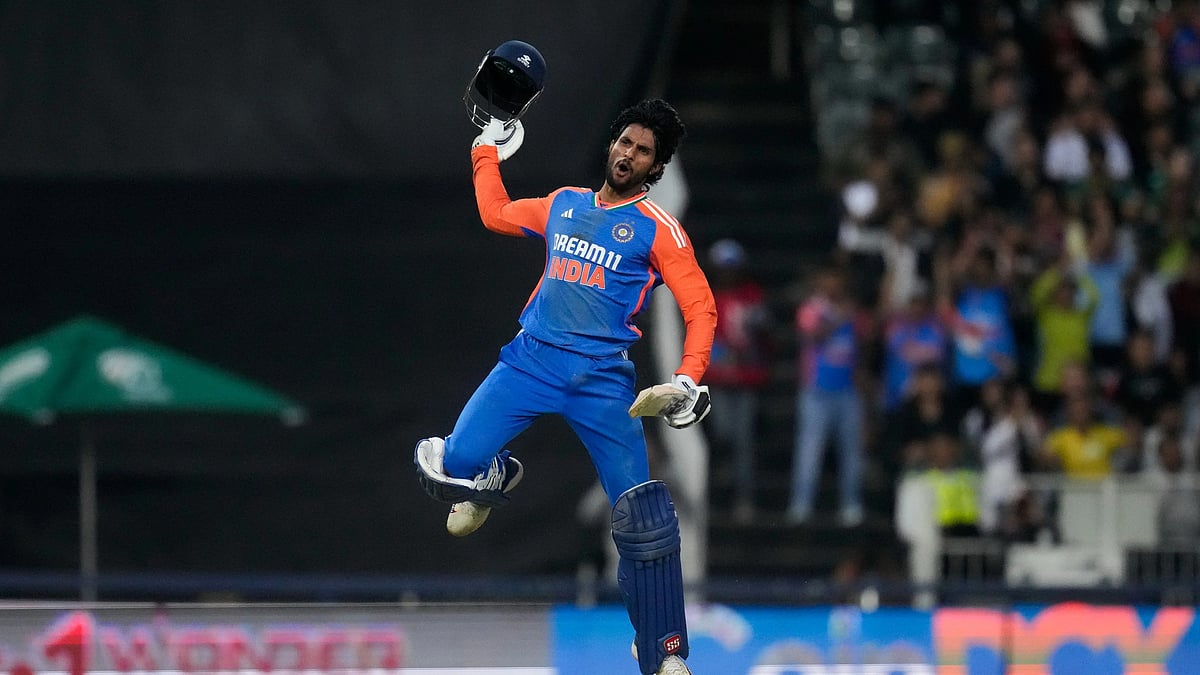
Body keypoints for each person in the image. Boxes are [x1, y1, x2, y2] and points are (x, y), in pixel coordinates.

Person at [414, 99, 715, 675]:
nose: (628, 154)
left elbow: (700, 307)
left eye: (643, 151)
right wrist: (485, 149)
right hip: (529, 362)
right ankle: (491, 474)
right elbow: (495, 214)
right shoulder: (564, 203)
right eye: (624, 142)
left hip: (602, 382)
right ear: (612, 146)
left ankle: (664, 651)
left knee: (644, 518)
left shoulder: (660, 229)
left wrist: (687, 378)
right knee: (451, 465)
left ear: (655, 168)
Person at [788, 264, 866, 527]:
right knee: (810, 450)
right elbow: (812, 335)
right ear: (820, 282)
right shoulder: (811, 309)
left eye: (837, 280)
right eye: (828, 280)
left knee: (851, 452)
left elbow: (865, 338)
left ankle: (851, 504)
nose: (833, 285)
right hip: (816, 391)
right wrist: (838, 318)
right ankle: (801, 504)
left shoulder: (851, 309)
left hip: (847, 389)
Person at [703, 238, 772, 523]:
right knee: (723, 432)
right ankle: (721, 481)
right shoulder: (706, 295)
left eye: (731, 268)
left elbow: (763, 332)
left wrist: (749, 341)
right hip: (718, 378)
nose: (727, 273)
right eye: (723, 268)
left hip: (745, 377)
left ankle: (744, 498)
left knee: (743, 440)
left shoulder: (751, 296)